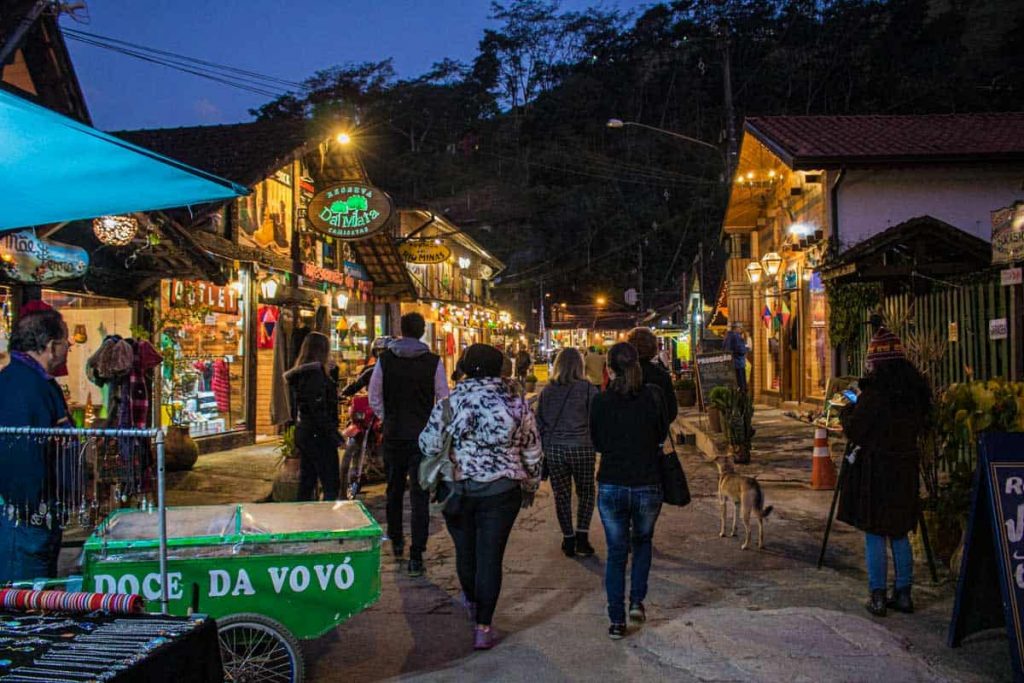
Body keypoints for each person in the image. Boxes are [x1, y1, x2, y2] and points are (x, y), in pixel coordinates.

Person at [419, 344, 543, 650]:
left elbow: (428, 445)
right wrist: (531, 483)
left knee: (465, 550)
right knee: (491, 556)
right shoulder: (517, 403)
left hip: (457, 489)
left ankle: (473, 603)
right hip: (502, 489)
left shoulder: (449, 402)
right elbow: (532, 448)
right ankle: (483, 628)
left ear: (464, 366)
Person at [838, 328, 931, 617]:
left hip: (876, 471)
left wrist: (846, 412)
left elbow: (856, 430)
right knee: (900, 531)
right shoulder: (916, 393)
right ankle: (903, 593)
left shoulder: (875, 394)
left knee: (875, 532)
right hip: (905, 469)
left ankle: (877, 594)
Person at [590, 342, 668, 640]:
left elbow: (597, 442)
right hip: (647, 482)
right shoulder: (653, 396)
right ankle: (637, 601)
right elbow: (661, 433)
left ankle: (616, 621)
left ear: (609, 369)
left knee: (616, 553)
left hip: (612, 483)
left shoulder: (600, 401)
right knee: (643, 542)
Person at [369, 312, 449, 576]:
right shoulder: (433, 362)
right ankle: (417, 554)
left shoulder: (385, 360)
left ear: (401, 330)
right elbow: (443, 399)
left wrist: (387, 418)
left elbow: (374, 396)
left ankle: (397, 541)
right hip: (422, 437)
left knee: (392, 490)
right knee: (419, 494)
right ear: (422, 331)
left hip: (394, 435)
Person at [0, 309, 72, 582]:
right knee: (25, 599)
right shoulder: (21, 386)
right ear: (51, 347)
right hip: (24, 521)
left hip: (38, 516)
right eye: (67, 342)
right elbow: (19, 457)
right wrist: (34, 513)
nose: (69, 349)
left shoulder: (35, 383)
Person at [536, 348, 599, 558]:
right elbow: (596, 419)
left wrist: (547, 443)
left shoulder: (547, 391)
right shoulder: (588, 389)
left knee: (561, 495)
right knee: (587, 492)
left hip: (555, 449)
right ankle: (582, 536)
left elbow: (539, 421)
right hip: (582, 447)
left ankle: (568, 538)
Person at [284, 332, 341, 501]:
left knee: (307, 481)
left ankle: (304, 518)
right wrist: (333, 434)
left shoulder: (304, 374)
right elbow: (318, 409)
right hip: (318, 434)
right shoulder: (314, 376)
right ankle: (325, 520)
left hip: (305, 431)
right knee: (330, 482)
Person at [627, 327, 678, 425]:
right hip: (654, 435)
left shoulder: (623, 374)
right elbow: (671, 411)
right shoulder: (661, 375)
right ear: (653, 347)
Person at [723, 322, 749, 393]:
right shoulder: (736, 336)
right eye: (740, 328)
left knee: (733, 385)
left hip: (730, 364)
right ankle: (741, 401)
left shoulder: (727, 336)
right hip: (738, 363)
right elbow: (741, 350)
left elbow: (724, 349)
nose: (741, 330)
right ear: (737, 328)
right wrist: (746, 347)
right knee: (741, 385)